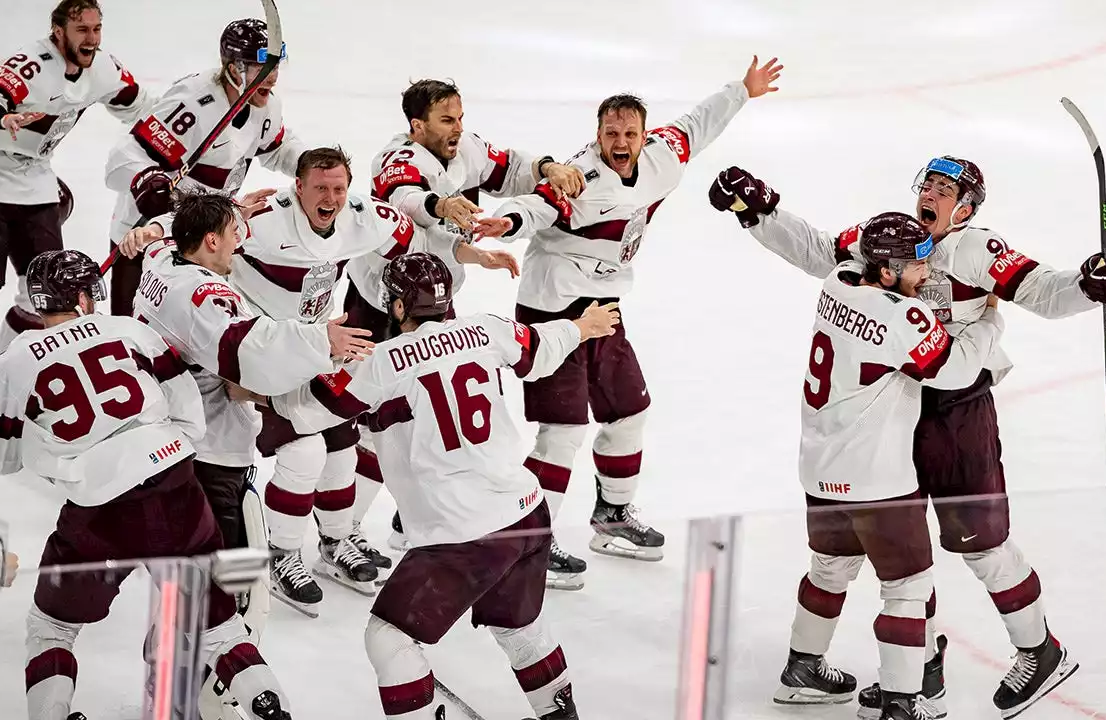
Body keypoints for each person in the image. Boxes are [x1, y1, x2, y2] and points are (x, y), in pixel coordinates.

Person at [710, 158, 1106, 718]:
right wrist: (761, 215)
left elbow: (1041, 290)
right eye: (926, 184)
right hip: (894, 414)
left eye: (944, 189)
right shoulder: (892, 240)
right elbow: (819, 251)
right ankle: (918, 672)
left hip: (956, 414)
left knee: (982, 543)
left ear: (965, 208)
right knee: (906, 554)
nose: (929, 194)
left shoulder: (978, 249)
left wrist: (1085, 285)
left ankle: (1039, 650)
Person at [257, 253, 619, 719]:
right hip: (526, 515)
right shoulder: (486, 329)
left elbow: (306, 410)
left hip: (463, 534)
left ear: (400, 307)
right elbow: (542, 347)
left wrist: (253, 384)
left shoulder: (382, 362)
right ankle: (560, 713)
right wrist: (581, 326)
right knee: (520, 627)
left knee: (388, 636)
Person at [487, 55, 783, 588]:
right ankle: (529, 542)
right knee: (563, 430)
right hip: (554, 306)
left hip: (605, 307)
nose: (619, 142)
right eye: (609, 132)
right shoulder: (582, 177)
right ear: (596, 135)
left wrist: (742, 88)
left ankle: (612, 516)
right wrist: (505, 222)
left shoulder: (663, 156)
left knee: (628, 413)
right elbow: (537, 206)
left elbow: (698, 123)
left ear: (645, 136)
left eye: (628, 132)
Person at [0, 249, 290, 720]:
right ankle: (271, 708)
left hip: (98, 510)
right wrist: (159, 452)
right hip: (177, 488)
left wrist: (64, 454)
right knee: (220, 630)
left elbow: (3, 461)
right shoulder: (131, 330)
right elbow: (189, 414)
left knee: (51, 629)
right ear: (86, 297)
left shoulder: (11, 362)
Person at [230, 146, 518, 616]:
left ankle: (335, 542)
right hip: (262, 345)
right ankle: (281, 555)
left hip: (324, 343)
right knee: (303, 452)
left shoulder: (363, 215)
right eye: (320, 188)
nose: (331, 197)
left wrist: (475, 256)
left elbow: (418, 244)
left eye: (339, 188)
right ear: (297, 187)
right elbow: (199, 245)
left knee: (344, 448)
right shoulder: (260, 220)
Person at [736, 211, 1001, 719]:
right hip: (878, 480)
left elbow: (838, 253)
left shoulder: (839, 283)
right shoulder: (904, 318)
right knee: (908, 587)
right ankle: (901, 704)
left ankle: (802, 669)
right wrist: (989, 319)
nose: (927, 272)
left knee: (830, 568)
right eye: (916, 264)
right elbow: (958, 369)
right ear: (885, 271)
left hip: (819, 470)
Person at [114, 188, 375, 641]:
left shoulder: (162, 259)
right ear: (211, 241)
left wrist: (216, 216)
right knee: (220, 583)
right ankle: (202, 666)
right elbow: (253, 359)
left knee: (189, 568)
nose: (243, 240)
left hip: (164, 437)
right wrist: (322, 343)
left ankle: (186, 653)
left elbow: (164, 235)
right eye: (235, 233)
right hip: (210, 452)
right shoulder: (206, 297)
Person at [363, 77, 586, 552]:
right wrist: (442, 204)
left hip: (435, 296)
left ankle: (413, 519)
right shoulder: (399, 157)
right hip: (385, 300)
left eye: (460, 117)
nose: (458, 128)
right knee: (377, 419)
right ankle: (338, 533)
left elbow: (512, 167)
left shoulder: (465, 148)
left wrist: (549, 166)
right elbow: (405, 197)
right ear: (416, 125)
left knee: (433, 413)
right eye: (447, 120)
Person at [103, 17, 305, 316]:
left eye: (276, 66)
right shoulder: (194, 103)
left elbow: (278, 148)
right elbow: (122, 157)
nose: (273, 77)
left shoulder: (267, 106)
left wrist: (312, 165)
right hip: (148, 235)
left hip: (206, 238)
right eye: (264, 67)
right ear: (235, 68)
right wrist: (146, 179)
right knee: (135, 333)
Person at [0, 0, 150, 352]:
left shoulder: (103, 68)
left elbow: (141, 105)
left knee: (45, 295)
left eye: (96, 28)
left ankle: (2, 368)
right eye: (82, 30)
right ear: (58, 32)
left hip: (35, 182)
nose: (91, 38)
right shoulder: (33, 64)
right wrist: (1, 117)